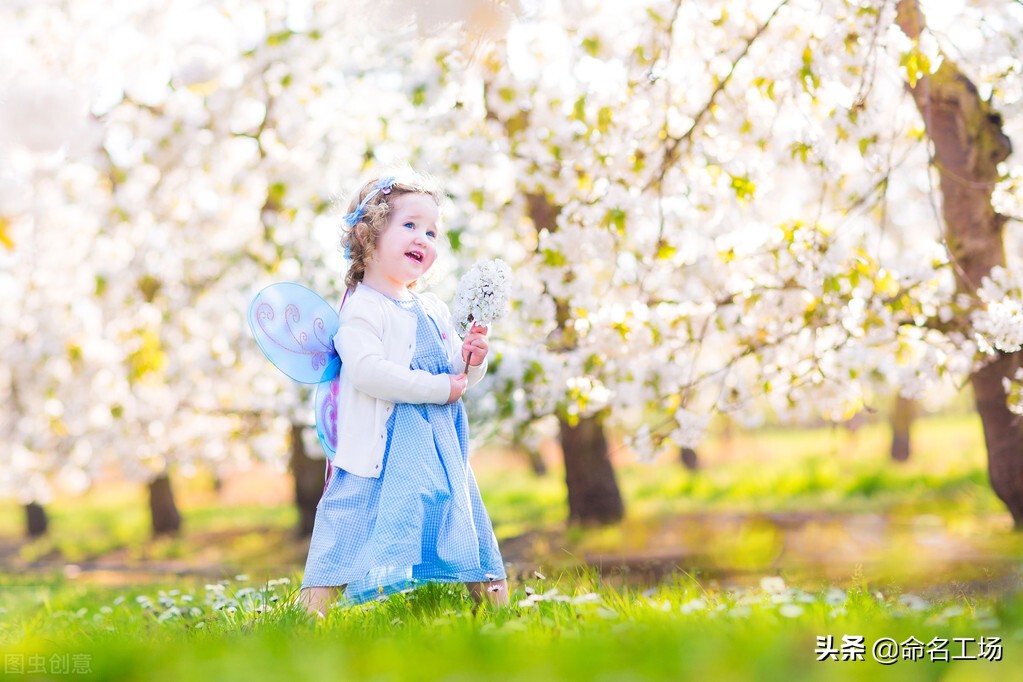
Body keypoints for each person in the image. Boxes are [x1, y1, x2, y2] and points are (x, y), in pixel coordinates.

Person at [295, 171, 509, 617]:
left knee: (461, 516)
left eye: (432, 231)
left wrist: (472, 358)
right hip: (382, 449)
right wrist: (440, 388)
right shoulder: (363, 306)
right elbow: (369, 372)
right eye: (410, 226)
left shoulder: (430, 307)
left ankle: (498, 613)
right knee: (346, 526)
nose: (424, 239)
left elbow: (457, 373)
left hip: (439, 447)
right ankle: (310, 617)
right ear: (368, 235)